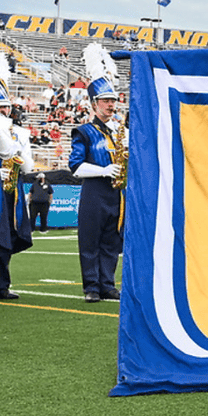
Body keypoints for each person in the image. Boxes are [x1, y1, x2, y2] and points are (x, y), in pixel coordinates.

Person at [69, 43, 125, 303]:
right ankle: (91, 285)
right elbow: (76, 167)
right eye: (105, 101)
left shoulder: (120, 131)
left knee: (111, 241)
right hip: (94, 191)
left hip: (117, 193)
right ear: (94, 103)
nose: (111, 105)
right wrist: (103, 170)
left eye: (113, 100)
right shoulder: (84, 131)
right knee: (90, 240)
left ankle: (107, 283)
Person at [0, 61, 33, 302]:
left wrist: (17, 145)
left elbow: (28, 167)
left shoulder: (20, 132)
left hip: (13, 188)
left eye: (6, 107)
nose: (3, 111)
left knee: (9, 236)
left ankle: (1, 285)